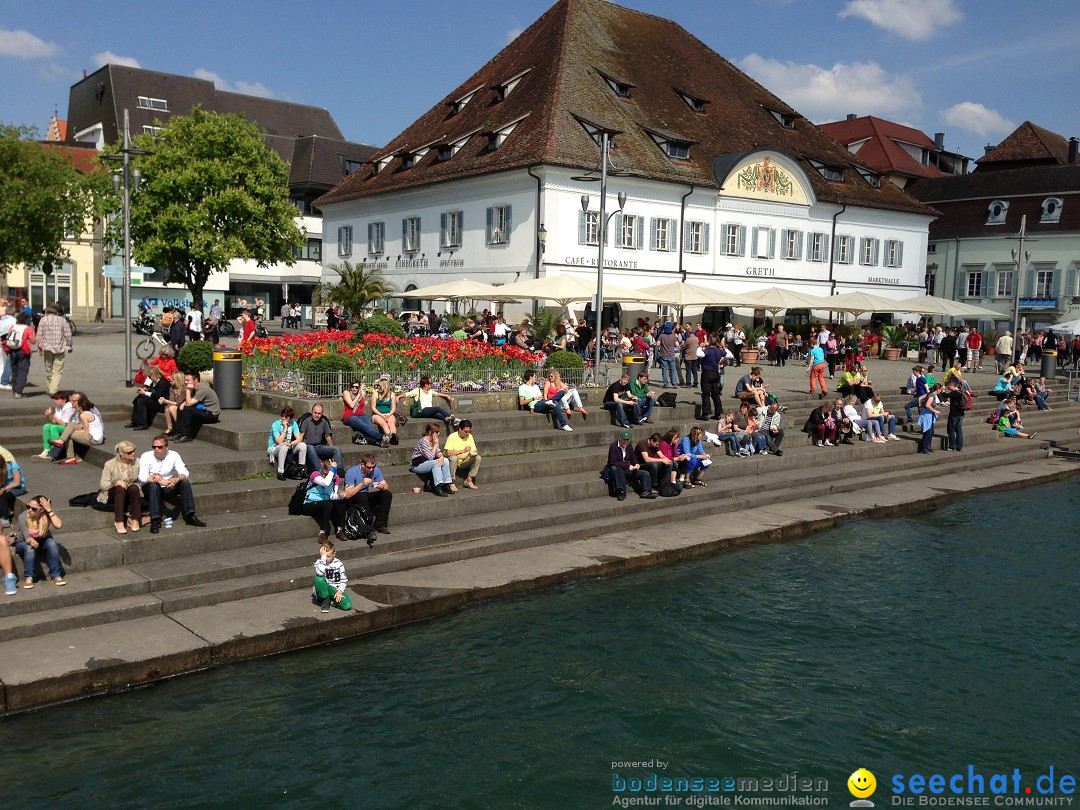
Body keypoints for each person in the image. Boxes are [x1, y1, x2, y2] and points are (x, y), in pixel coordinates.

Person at [138, 434, 206, 532]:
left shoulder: (173, 455)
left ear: (166, 447)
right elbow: (142, 476)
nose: (156, 449)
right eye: (154, 447)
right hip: (152, 488)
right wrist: (161, 481)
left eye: (160, 447)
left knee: (185, 482)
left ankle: (190, 515)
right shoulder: (146, 456)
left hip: (169, 486)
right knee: (154, 486)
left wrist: (176, 479)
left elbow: (185, 472)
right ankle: (155, 520)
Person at [12, 495, 65, 588]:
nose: (29, 510)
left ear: (41, 509)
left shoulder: (46, 515)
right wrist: (31, 541)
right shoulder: (23, 516)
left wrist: (49, 510)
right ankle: (29, 577)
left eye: (34, 508)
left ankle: (56, 575)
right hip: (23, 542)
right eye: (28, 506)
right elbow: (27, 536)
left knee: (52, 544)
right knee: (30, 548)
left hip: (43, 541)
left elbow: (59, 525)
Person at [99, 440, 144, 534]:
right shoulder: (110, 464)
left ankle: (135, 519)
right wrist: (115, 482)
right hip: (114, 492)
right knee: (120, 488)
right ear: (121, 454)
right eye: (129, 452)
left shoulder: (137, 462)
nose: (133, 453)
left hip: (131, 491)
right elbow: (103, 484)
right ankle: (119, 521)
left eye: (133, 451)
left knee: (134, 488)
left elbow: (144, 475)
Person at [343, 454, 392, 538]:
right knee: (362, 496)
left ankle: (380, 524)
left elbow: (386, 485)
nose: (371, 469)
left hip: (365, 495)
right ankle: (368, 527)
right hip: (353, 496)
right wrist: (361, 484)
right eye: (369, 467)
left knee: (387, 494)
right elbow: (348, 494)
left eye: (373, 467)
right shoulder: (351, 472)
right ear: (362, 465)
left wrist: (382, 486)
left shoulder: (375, 470)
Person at [47, 392, 104, 464]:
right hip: (87, 433)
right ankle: (60, 442)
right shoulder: (77, 412)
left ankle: (69, 457)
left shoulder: (85, 413)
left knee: (68, 434)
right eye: (71, 400)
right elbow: (73, 425)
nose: (71, 402)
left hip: (94, 438)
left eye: (73, 401)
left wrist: (72, 432)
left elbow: (86, 432)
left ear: (80, 402)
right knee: (70, 426)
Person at [302, 457, 347, 542]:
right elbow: (325, 483)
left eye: (335, 470)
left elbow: (331, 496)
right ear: (325, 471)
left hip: (324, 503)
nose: (334, 473)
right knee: (328, 505)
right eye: (332, 470)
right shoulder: (315, 475)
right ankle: (323, 532)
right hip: (310, 503)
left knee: (341, 503)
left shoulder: (332, 478)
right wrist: (333, 469)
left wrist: (340, 496)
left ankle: (340, 530)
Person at [605, 431, 657, 500]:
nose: (625, 443)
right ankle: (620, 491)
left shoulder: (629, 446)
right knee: (615, 468)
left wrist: (636, 464)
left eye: (627, 441)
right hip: (618, 467)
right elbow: (613, 461)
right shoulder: (613, 446)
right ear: (620, 439)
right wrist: (628, 466)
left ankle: (646, 491)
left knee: (645, 473)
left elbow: (633, 458)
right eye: (624, 441)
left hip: (627, 468)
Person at [35, 302, 73, 396]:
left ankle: (51, 387)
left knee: (48, 369)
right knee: (57, 370)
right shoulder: (62, 320)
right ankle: (53, 390)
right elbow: (68, 334)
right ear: (57, 311)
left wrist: (39, 346)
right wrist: (69, 345)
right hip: (59, 348)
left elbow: (39, 334)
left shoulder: (43, 320)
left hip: (47, 348)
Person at [172, 372, 221, 442]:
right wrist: (183, 402)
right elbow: (190, 400)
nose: (185, 382)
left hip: (211, 415)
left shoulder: (202, 389)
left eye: (188, 380)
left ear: (195, 380)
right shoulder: (194, 388)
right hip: (202, 411)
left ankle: (187, 435)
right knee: (181, 407)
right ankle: (179, 433)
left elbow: (189, 403)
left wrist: (188, 390)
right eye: (185, 380)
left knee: (187, 410)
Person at [410, 421, 454, 496]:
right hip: (418, 465)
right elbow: (430, 457)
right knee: (435, 463)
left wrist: (441, 457)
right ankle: (438, 486)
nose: (438, 433)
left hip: (428, 463)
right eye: (436, 432)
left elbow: (439, 453)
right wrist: (436, 445)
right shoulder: (423, 442)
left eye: (439, 432)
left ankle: (446, 484)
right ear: (430, 432)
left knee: (445, 460)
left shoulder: (434, 440)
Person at [298, 403, 344, 472]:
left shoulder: (324, 421)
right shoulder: (306, 421)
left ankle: (339, 469)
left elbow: (327, 436)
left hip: (319, 446)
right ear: (311, 412)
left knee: (336, 449)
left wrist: (331, 448)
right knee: (310, 448)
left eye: (319, 413)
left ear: (322, 413)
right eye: (315, 413)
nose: (316, 415)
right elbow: (301, 435)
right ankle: (319, 470)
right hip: (308, 446)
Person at [342, 379, 388, 447]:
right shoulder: (347, 393)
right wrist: (358, 395)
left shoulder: (362, 394)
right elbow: (351, 405)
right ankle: (382, 437)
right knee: (364, 426)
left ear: (359, 388)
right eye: (352, 386)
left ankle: (378, 442)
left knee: (370, 427)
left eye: (356, 387)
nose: (354, 388)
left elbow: (361, 405)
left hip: (361, 414)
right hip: (350, 416)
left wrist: (361, 394)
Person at [268, 406, 308, 480]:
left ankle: (301, 469)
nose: (283, 418)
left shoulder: (293, 424)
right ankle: (280, 472)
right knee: (283, 447)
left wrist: (290, 444)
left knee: (303, 445)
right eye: (282, 415)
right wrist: (285, 429)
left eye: (286, 417)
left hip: (288, 446)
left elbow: (299, 439)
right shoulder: (275, 424)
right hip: (275, 447)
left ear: (290, 418)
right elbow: (279, 441)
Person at [312, 540, 352, 612]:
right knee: (319, 578)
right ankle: (325, 599)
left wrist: (339, 591)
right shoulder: (319, 562)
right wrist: (323, 559)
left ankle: (330, 602)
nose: (326, 558)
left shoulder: (339, 564)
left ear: (334, 554)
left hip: (335, 590)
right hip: (324, 589)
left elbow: (343, 580)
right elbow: (320, 573)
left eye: (328, 556)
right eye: (324, 556)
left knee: (347, 605)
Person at [443, 419, 482, 491]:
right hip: (452, 461)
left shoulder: (470, 436)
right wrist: (462, 451)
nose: (467, 433)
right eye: (465, 431)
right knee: (454, 458)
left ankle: (469, 480)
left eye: (469, 431)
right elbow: (448, 453)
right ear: (460, 429)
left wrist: (473, 453)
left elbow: (474, 449)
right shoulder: (452, 437)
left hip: (464, 461)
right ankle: (451, 482)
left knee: (478, 458)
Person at [129, 366, 171, 431]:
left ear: (154, 374)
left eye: (150, 376)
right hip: (155, 401)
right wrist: (146, 390)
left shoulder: (164, 382)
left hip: (161, 404)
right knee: (139, 398)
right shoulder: (154, 382)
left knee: (142, 401)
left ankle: (143, 423)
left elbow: (157, 395)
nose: (149, 378)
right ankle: (135, 421)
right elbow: (152, 392)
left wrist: (145, 393)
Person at [6, 311, 36, 398]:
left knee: (14, 371)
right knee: (23, 371)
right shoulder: (28, 329)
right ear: (27, 320)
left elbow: (9, 336)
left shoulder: (12, 327)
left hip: (12, 350)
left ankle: (15, 390)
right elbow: (33, 341)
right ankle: (18, 392)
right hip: (23, 351)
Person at [39, 390, 77, 459]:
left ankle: (55, 451)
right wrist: (49, 415)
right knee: (46, 426)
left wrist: (55, 418)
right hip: (62, 426)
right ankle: (46, 450)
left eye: (57, 399)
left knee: (54, 428)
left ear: (64, 400)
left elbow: (64, 424)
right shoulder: (58, 407)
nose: (55, 401)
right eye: (54, 399)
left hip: (70, 428)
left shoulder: (69, 408)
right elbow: (55, 421)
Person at [699, 334, 727, 420]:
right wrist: (722, 347)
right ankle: (718, 412)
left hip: (707, 372)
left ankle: (705, 413)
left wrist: (701, 347)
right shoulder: (719, 351)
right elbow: (726, 353)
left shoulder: (707, 350)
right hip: (715, 372)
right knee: (715, 393)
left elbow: (700, 354)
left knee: (706, 393)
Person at [1, 443, 26, 529]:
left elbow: (17, 483)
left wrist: (4, 488)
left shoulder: (13, 466)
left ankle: (5, 517)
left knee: (3, 496)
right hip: (7, 487)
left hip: (18, 488)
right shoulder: (1, 470)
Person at [369, 374, 400, 444]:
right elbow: (373, 407)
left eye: (380, 386)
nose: (378, 387)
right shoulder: (375, 394)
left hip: (388, 413)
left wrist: (389, 414)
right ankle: (390, 437)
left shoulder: (392, 394)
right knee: (383, 423)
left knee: (392, 423)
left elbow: (393, 407)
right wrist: (381, 415)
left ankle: (393, 436)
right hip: (377, 414)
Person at [917, 384, 942, 454]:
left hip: (929, 415)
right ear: (938, 389)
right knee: (927, 432)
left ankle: (928, 446)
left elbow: (920, 398)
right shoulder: (932, 396)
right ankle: (924, 448)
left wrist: (920, 407)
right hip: (927, 415)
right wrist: (935, 411)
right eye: (941, 389)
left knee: (931, 432)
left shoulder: (930, 394)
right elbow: (927, 405)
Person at [943, 378, 966, 452]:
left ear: (951, 386)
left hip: (954, 414)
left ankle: (952, 446)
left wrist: (943, 390)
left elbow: (945, 395)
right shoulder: (960, 391)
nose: (948, 388)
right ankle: (959, 446)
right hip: (961, 413)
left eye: (948, 387)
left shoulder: (955, 392)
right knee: (959, 430)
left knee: (951, 430)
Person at [656, 321, 680, 388]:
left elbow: (657, 344)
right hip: (671, 354)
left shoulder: (662, 335)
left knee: (664, 370)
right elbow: (677, 345)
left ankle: (666, 384)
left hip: (663, 354)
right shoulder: (673, 336)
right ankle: (674, 384)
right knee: (673, 370)